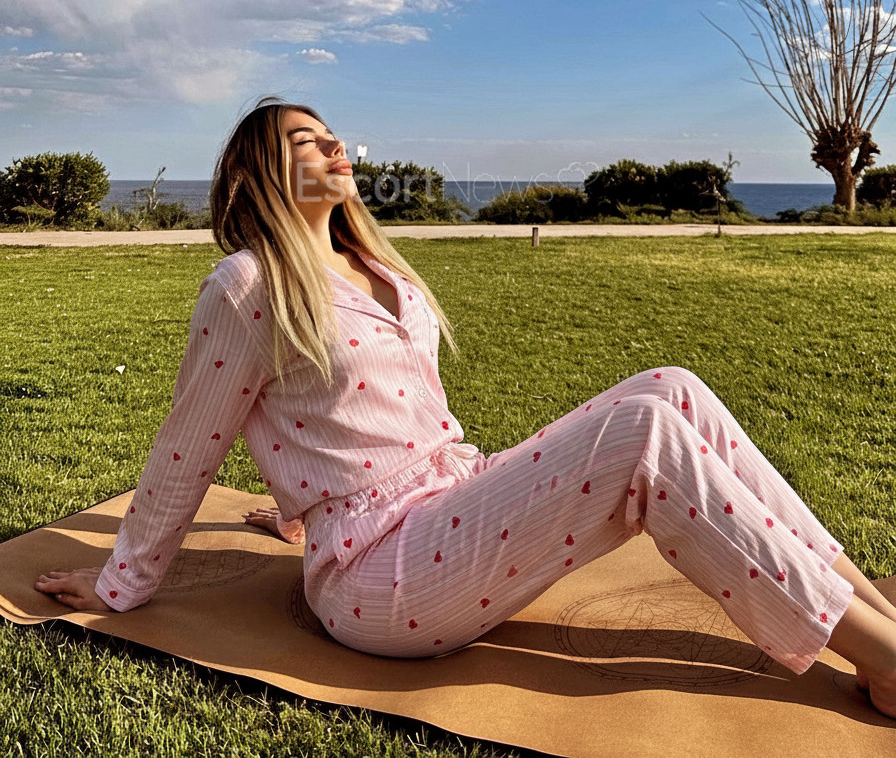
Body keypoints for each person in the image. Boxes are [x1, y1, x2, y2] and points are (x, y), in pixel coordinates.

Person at [35, 98, 896, 717]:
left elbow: (343, 419)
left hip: (445, 501)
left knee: (672, 386)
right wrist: (122, 582)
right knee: (644, 435)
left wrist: (295, 503)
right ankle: (882, 658)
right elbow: (190, 443)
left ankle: (875, 611)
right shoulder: (247, 283)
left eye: (332, 134)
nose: (335, 145)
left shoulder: (377, 268)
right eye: (305, 140)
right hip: (376, 574)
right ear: (259, 174)